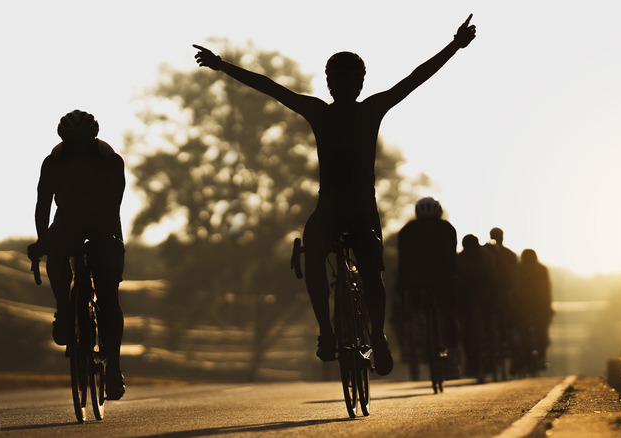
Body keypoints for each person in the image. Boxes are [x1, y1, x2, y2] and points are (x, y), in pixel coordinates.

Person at [194, 14, 476, 376]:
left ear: (341, 84)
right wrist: (454, 45)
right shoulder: (369, 108)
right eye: (339, 80)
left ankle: (332, 333)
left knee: (321, 257)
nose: (341, 85)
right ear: (356, 84)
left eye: (344, 80)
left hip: (336, 208)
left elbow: (271, 88)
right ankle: (372, 337)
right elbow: (414, 79)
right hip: (356, 208)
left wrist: (222, 66)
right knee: (368, 271)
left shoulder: (320, 110)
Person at [27, 110, 127, 400]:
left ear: (93, 139)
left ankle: (113, 368)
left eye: (83, 142)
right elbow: (43, 204)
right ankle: (64, 309)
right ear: (64, 141)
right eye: (72, 143)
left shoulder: (110, 161)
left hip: (103, 219)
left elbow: (113, 205)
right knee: (56, 255)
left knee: (108, 295)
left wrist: (110, 240)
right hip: (68, 218)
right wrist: (42, 240)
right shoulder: (54, 162)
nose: (78, 149)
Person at [397, 197, 460, 378]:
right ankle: (418, 320)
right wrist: (405, 281)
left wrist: (454, 277)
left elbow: (451, 259)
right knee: (412, 292)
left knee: (449, 314)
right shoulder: (408, 231)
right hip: (417, 274)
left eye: (432, 221)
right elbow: (404, 261)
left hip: (441, 274)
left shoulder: (447, 229)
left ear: (438, 217)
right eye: (425, 221)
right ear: (418, 218)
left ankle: (453, 357)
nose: (428, 225)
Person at [455, 234, 497, 378]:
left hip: (485, 292)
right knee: (465, 328)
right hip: (466, 295)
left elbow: (492, 278)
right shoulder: (460, 259)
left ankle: (492, 351)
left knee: (489, 321)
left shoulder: (486, 257)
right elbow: (457, 281)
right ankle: (471, 360)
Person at [485, 227, 520, 374]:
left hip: (500, 295)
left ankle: (513, 359)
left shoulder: (487, 252)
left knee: (509, 326)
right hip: (496, 294)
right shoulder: (508, 254)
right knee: (509, 326)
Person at [515, 248, 553, 370]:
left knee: (540, 332)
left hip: (535, 306)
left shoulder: (521, 269)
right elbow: (547, 289)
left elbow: (546, 289)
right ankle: (539, 357)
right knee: (538, 332)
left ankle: (539, 356)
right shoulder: (540, 269)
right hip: (529, 306)